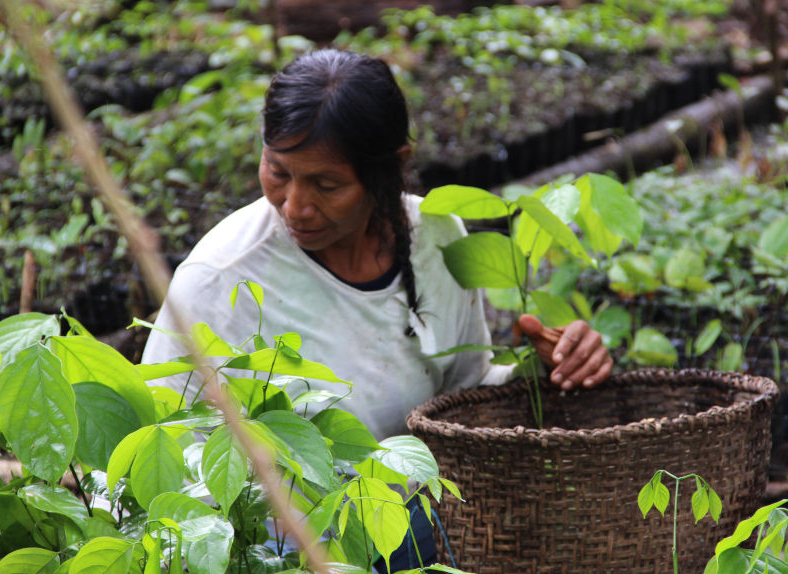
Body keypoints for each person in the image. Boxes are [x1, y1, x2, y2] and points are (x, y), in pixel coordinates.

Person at [141, 48, 612, 568]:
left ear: (392, 169)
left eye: (327, 185)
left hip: (421, 517)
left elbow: (460, 396)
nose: (295, 205)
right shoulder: (222, 277)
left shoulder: (435, 238)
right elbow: (157, 442)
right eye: (278, 172)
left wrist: (549, 366)